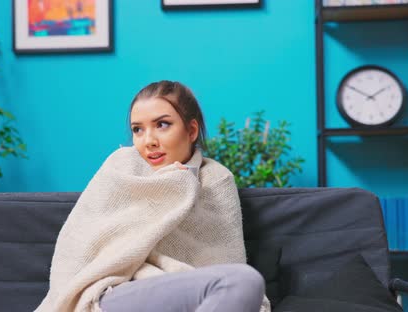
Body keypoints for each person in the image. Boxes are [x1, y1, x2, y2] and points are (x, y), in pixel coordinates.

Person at [35, 81, 269, 312]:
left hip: (191, 295)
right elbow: (76, 250)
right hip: (115, 293)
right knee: (242, 281)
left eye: (162, 125)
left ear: (191, 131)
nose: (148, 141)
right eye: (138, 129)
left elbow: (225, 259)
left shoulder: (216, 181)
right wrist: (172, 184)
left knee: (242, 283)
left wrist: (182, 182)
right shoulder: (121, 168)